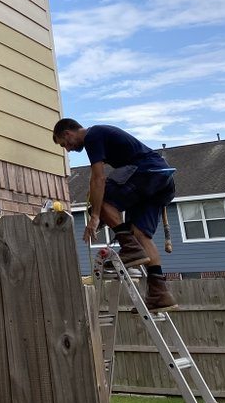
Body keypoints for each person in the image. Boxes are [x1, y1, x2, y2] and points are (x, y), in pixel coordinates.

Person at [53, 118, 177, 311]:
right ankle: (160, 294)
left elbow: (98, 178)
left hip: (147, 171)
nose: (67, 149)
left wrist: (95, 216)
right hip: (162, 179)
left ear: (68, 133)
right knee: (140, 234)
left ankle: (129, 248)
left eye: (64, 144)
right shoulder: (101, 136)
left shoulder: (93, 136)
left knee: (97, 196)